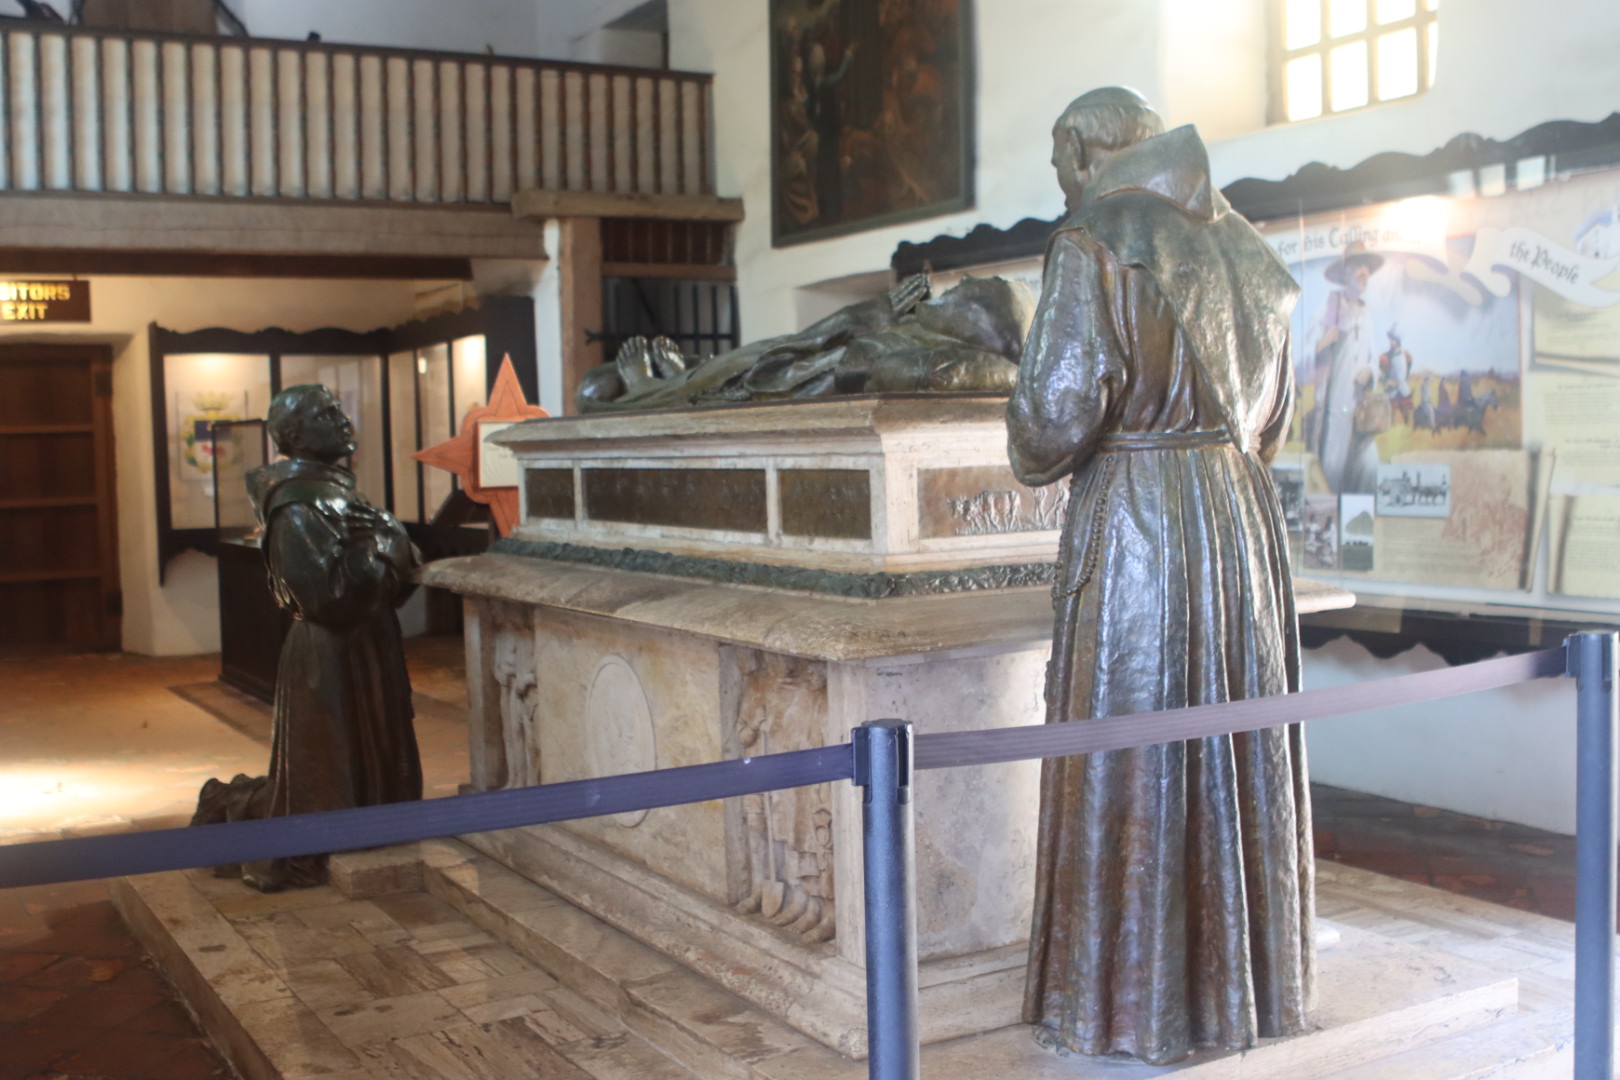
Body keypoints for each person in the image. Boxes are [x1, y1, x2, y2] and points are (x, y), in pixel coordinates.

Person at [1007, 87, 1313, 1066]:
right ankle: (1239, 992)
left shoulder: (1094, 238)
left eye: (1062, 164)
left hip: (1142, 523)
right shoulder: (1247, 246)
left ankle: (1127, 1006)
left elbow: (1049, 426)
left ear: (1084, 149)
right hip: (1239, 524)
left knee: (1131, 753)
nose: (1063, 182)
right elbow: (1274, 419)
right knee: (1229, 751)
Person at [193, 385, 422, 891]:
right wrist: (384, 545)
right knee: (321, 783)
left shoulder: (338, 491)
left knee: (373, 773)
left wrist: (387, 540)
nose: (343, 419)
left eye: (340, 409)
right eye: (327, 413)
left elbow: (402, 573)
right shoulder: (295, 506)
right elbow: (327, 598)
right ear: (295, 436)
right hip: (329, 653)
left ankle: (370, 826)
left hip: (367, 643)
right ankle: (227, 805)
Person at [1309, 241, 1385, 493]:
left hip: (1362, 411)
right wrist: (1324, 342)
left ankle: (1363, 515)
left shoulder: (1366, 312)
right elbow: (1308, 348)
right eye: (1359, 267)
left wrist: (1370, 372)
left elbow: (1374, 358)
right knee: (1333, 471)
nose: (1365, 273)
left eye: (1367, 268)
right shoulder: (1331, 306)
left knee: (1368, 467)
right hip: (1336, 407)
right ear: (1346, 273)